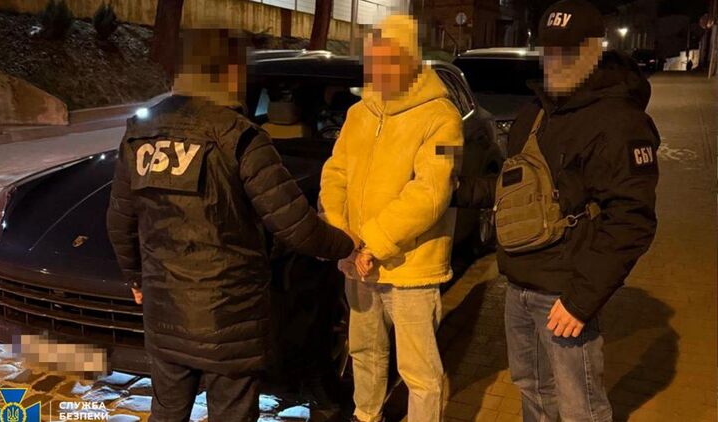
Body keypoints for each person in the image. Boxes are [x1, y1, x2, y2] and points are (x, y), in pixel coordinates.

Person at [106, 28, 354, 422]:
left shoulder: (140, 134)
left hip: (165, 313)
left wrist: (136, 279)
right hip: (230, 318)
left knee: (167, 411)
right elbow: (294, 226)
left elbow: (119, 222)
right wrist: (348, 245)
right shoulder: (240, 137)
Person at [454, 1, 660, 421]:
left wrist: (581, 301)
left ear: (594, 50)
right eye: (550, 50)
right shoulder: (537, 112)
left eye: (569, 51)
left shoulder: (619, 121)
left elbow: (631, 222)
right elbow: (517, 189)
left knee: (579, 407)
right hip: (518, 284)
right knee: (532, 391)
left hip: (563, 295)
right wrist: (457, 190)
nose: (556, 61)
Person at [318, 15, 464, 422]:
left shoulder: (444, 118)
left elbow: (431, 193)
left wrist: (372, 243)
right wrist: (342, 236)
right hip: (358, 262)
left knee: (420, 372)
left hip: (411, 267)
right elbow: (335, 173)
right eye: (373, 59)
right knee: (364, 352)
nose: (378, 68)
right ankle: (367, 416)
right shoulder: (358, 114)